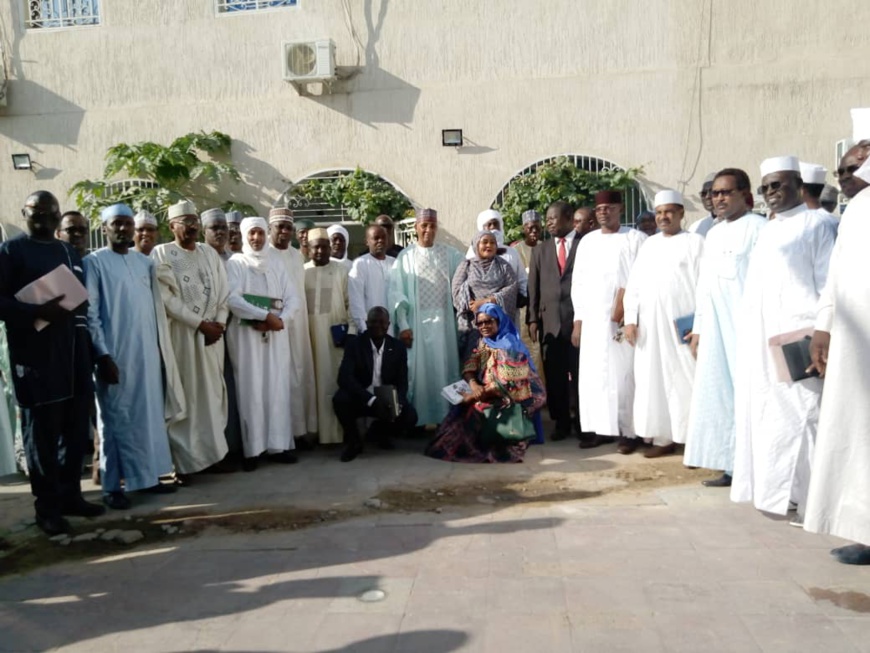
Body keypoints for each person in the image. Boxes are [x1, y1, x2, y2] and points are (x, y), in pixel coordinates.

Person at [731, 156, 838, 521]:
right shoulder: (768, 228)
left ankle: (812, 501)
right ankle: (782, 494)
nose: (771, 193)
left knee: (806, 417)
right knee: (771, 418)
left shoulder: (818, 225)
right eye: (765, 187)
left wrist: (821, 332)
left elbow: (828, 285)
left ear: (797, 183)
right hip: (763, 341)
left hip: (800, 337)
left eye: (777, 184)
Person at [0, 191, 104, 535]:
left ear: (59, 216)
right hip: (35, 355)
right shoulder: (11, 251)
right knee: (42, 434)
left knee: (74, 431)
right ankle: (46, 507)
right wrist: (35, 312)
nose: (43, 217)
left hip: (73, 351)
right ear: (24, 213)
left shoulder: (65, 250)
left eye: (50, 212)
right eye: (35, 211)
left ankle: (70, 495)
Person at [84, 204, 182, 509]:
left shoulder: (143, 263)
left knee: (147, 419)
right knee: (114, 421)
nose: (124, 229)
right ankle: (112, 487)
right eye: (117, 224)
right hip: (115, 356)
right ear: (105, 229)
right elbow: (91, 313)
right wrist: (102, 355)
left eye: (128, 223)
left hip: (146, 355)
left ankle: (148, 477)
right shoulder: (94, 263)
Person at [804, 137, 870, 565]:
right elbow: (836, 276)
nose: (847, 176)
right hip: (854, 345)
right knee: (858, 434)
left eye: (857, 165)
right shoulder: (858, 211)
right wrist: (823, 327)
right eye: (842, 170)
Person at [683, 169, 767, 487]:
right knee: (720, 397)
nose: (718, 198)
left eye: (725, 192)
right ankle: (731, 465)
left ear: (744, 194)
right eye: (715, 193)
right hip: (716, 332)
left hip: (747, 330)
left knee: (750, 398)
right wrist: (699, 329)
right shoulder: (714, 234)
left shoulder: (760, 229)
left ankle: (758, 470)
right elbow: (705, 287)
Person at [152, 200, 230, 482]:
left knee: (212, 396)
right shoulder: (161, 253)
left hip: (213, 338)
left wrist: (218, 324)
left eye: (195, 221)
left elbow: (224, 291)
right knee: (188, 397)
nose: (193, 226)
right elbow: (167, 299)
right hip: (184, 337)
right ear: (172, 226)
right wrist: (200, 324)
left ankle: (213, 455)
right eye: (186, 222)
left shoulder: (209, 253)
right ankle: (186, 464)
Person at [623, 191, 703, 458]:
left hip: (684, 328)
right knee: (652, 380)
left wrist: (700, 326)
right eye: (659, 212)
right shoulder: (649, 245)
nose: (663, 217)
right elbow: (633, 286)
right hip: (650, 329)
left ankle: (692, 441)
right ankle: (662, 438)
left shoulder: (696, 243)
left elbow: (705, 288)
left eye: (669, 212)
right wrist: (630, 320)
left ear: (681, 213)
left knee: (686, 380)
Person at [571, 190, 647, 454]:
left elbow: (641, 281)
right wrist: (578, 320)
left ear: (620, 209)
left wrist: (630, 314)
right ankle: (601, 429)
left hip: (623, 319)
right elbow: (578, 283)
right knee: (596, 376)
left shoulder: (636, 239)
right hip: (592, 321)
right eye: (599, 208)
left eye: (609, 207)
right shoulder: (588, 242)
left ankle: (629, 431)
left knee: (625, 375)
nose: (603, 212)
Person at [425, 303, 545, 463]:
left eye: (489, 321)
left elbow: (506, 384)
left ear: (499, 321)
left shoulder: (508, 345)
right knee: (458, 412)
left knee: (476, 411)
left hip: (514, 397)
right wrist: (474, 385)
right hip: (487, 392)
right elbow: (470, 365)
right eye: (480, 323)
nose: (484, 326)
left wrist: (475, 396)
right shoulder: (484, 343)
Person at [226, 217, 299, 470]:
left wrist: (278, 321)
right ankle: (253, 450)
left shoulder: (276, 263)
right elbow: (232, 300)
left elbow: (292, 299)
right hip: (247, 339)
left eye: (260, 233)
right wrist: (263, 316)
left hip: (276, 336)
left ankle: (278, 446)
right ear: (245, 236)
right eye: (252, 234)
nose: (256, 238)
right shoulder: (236, 263)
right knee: (251, 390)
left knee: (277, 389)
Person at [388, 208, 463, 426]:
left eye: (432, 225)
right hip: (416, 326)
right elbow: (396, 292)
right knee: (417, 373)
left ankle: (445, 419)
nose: (428, 230)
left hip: (444, 326)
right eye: (424, 225)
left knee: (445, 369)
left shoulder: (451, 255)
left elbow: (465, 274)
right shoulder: (406, 257)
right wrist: (403, 325)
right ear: (416, 228)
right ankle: (418, 421)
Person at [333, 306, 417, 462]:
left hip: (386, 399)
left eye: (382, 322)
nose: (377, 325)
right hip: (362, 397)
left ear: (388, 325)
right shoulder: (355, 345)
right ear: (366, 323)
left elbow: (402, 382)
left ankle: (380, 432)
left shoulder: (397, 347)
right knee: (340, 399)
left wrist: (398, 402)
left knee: (410, 416)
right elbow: (344, 377)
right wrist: (370, 399)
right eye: (373, 322)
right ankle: (354, 443)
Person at [527, 201, 581, 441]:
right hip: (550, 324)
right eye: (547, 218)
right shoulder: (540, 250)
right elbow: (533, 288)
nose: (548, 222)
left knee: (580, 375)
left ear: (568, 217)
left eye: (553, 217)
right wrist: (532, 319)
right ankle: (560, 423)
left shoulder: (584, 245)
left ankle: (582, 423)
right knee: (555, 376)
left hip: (577, 322)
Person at [268, 207, 318, 446]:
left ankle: (299, 431)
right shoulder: (264, 255)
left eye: (289, 227)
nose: (285, 232)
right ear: (271, 229)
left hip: (298, 324)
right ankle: (281, 437)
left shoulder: (297, 255)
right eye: (281, 227)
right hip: (274, 324)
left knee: (299, 374)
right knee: (280, 377)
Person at [305, 228, 355, 444]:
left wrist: (351, 334)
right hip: (309, 340)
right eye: (315, 247)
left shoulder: (342, 271)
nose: (320, 251)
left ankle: (338, 434)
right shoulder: (302, 272)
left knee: (334, 384)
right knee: (312, 385)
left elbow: (351, 305)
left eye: (324, 247)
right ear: (308, 249)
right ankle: (314, 434)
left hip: (336, 340)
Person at [203, 207, 242, 464]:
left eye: (222, 228)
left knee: (234, 389)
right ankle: (211, 453)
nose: (220, 232)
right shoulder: (198, 258)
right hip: (207, 336)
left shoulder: (237, 261)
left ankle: (233, 448)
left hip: (236, 333)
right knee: (210, 394)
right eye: (214, 228)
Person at [453, 231, 517, 358]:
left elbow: (512, 288)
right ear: (476, 245)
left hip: (498, 324)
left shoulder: (504, 266)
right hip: (474, 325)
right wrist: (468, 303)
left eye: (492, 243)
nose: (489, 245)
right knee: (474, 360)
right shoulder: (467, 266)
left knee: (501, 362)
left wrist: (487, 302)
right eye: (485, 242)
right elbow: (456, 290)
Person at [468, 209, 527, 310]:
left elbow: (522, 280)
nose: (493, 228)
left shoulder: (511, 252)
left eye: (496, 224)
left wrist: (521, 298)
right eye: (489, 224)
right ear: (482, 228)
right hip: (481, 312)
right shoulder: (472, 255)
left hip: (508, 309)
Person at [511, 210, 544, 378]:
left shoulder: (546, 247)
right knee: (526, 348)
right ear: (524, 228)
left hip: (543, 306)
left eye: (537, 228)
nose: (533, 232)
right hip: (525, 308)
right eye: (530, 228)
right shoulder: (516, 251)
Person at [348, 224, 397, 335]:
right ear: (367, 242)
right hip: (371, 329)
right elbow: (356, 301)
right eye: (376, 238)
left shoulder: (395, 263)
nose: (380, 241)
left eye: (383, 237)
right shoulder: (360, 264)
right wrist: (364, 329)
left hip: (392, 328)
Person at [688, 173, 720, 237]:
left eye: (712, 192)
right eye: (704, 193)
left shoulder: (735, 222)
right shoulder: (695, 227)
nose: (707, 196)